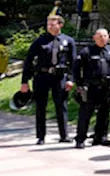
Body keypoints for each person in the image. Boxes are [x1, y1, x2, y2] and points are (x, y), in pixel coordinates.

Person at [21, 15, 77, 145]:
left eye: (53, 24)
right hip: (42, 76)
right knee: (41, 106)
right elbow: (28, 61)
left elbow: (73, 62)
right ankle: (41, 136)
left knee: (61, 106)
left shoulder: (68, 41)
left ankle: (64, 135)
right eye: (48, 24)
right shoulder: (40, 41)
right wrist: (24, 81)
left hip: (60, 77)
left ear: (60, 25)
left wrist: (71, 79)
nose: (50, 27)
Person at [73, 29, 110, 148]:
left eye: (105, 36)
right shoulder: (87, 51)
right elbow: (76, 68)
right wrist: (79, 84)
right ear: (94, 38)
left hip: (107, 87)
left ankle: (100, 137)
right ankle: (80, 138)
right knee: (85, 113)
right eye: (100, 36)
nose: (103, 38)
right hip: (91, 88)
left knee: (104, 113)